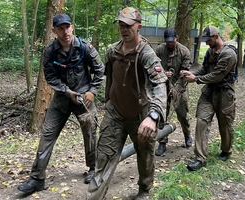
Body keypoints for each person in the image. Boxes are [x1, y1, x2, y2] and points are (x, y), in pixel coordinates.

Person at [17, 13, 105, 193]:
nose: (65, 31)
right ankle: (37, 178)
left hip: (84, 99)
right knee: (47, 135)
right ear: (54, 30)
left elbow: (100, 69)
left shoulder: (85, 47)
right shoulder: (50, 51)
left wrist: (92, 91)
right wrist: (67, 92)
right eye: (61, 28)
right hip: (61, 100)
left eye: (68, 27)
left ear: (72, 27)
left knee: (90, 133)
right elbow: (50, 76)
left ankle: (93, 168)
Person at [86, 7, 167, 200]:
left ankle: (144, 191)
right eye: (121, 25)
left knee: (145, 155)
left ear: (138, 26)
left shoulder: (147, 54)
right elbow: (106, 77)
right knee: (104, 155)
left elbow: (160, 85)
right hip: (115, 112)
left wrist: (153, 116)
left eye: (128, 25)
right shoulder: (112, 51)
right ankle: (95, 197)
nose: (124, 29)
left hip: (141, 113)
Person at [180, 25, 237, 171]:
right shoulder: (210, 52)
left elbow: (217, 75)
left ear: (216, 36)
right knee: (201, 121)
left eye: (208, 40)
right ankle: (200, 158)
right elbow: (205, 69)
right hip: (209, 93)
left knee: (225, 124)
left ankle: (226, 150)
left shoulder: (229, 54)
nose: (206, 43)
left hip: (225, 93)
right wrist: (190, 73)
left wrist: (196, 79)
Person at [154, 28, 192, 156]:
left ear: (176, 37)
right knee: (162, 117)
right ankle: (162, 142)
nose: (170, 43)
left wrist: (175, 90)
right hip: (163, 88)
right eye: (167, 41)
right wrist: (163, 73)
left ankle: (187, 135)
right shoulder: (159, 50)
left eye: (172, 41)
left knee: (183, 115)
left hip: (179, 88)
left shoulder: (184, 52)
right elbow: (154, 68)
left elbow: (185, 74)